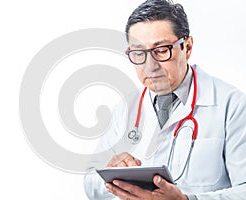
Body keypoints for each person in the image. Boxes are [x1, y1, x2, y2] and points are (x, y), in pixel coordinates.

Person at [83, 0, 246, 199]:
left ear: (187, 47)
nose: (150, 66)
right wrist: (109, 177)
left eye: (161, 51)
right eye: (138, 53)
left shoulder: (232, 106)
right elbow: (90, 181)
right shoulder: (125, 108)